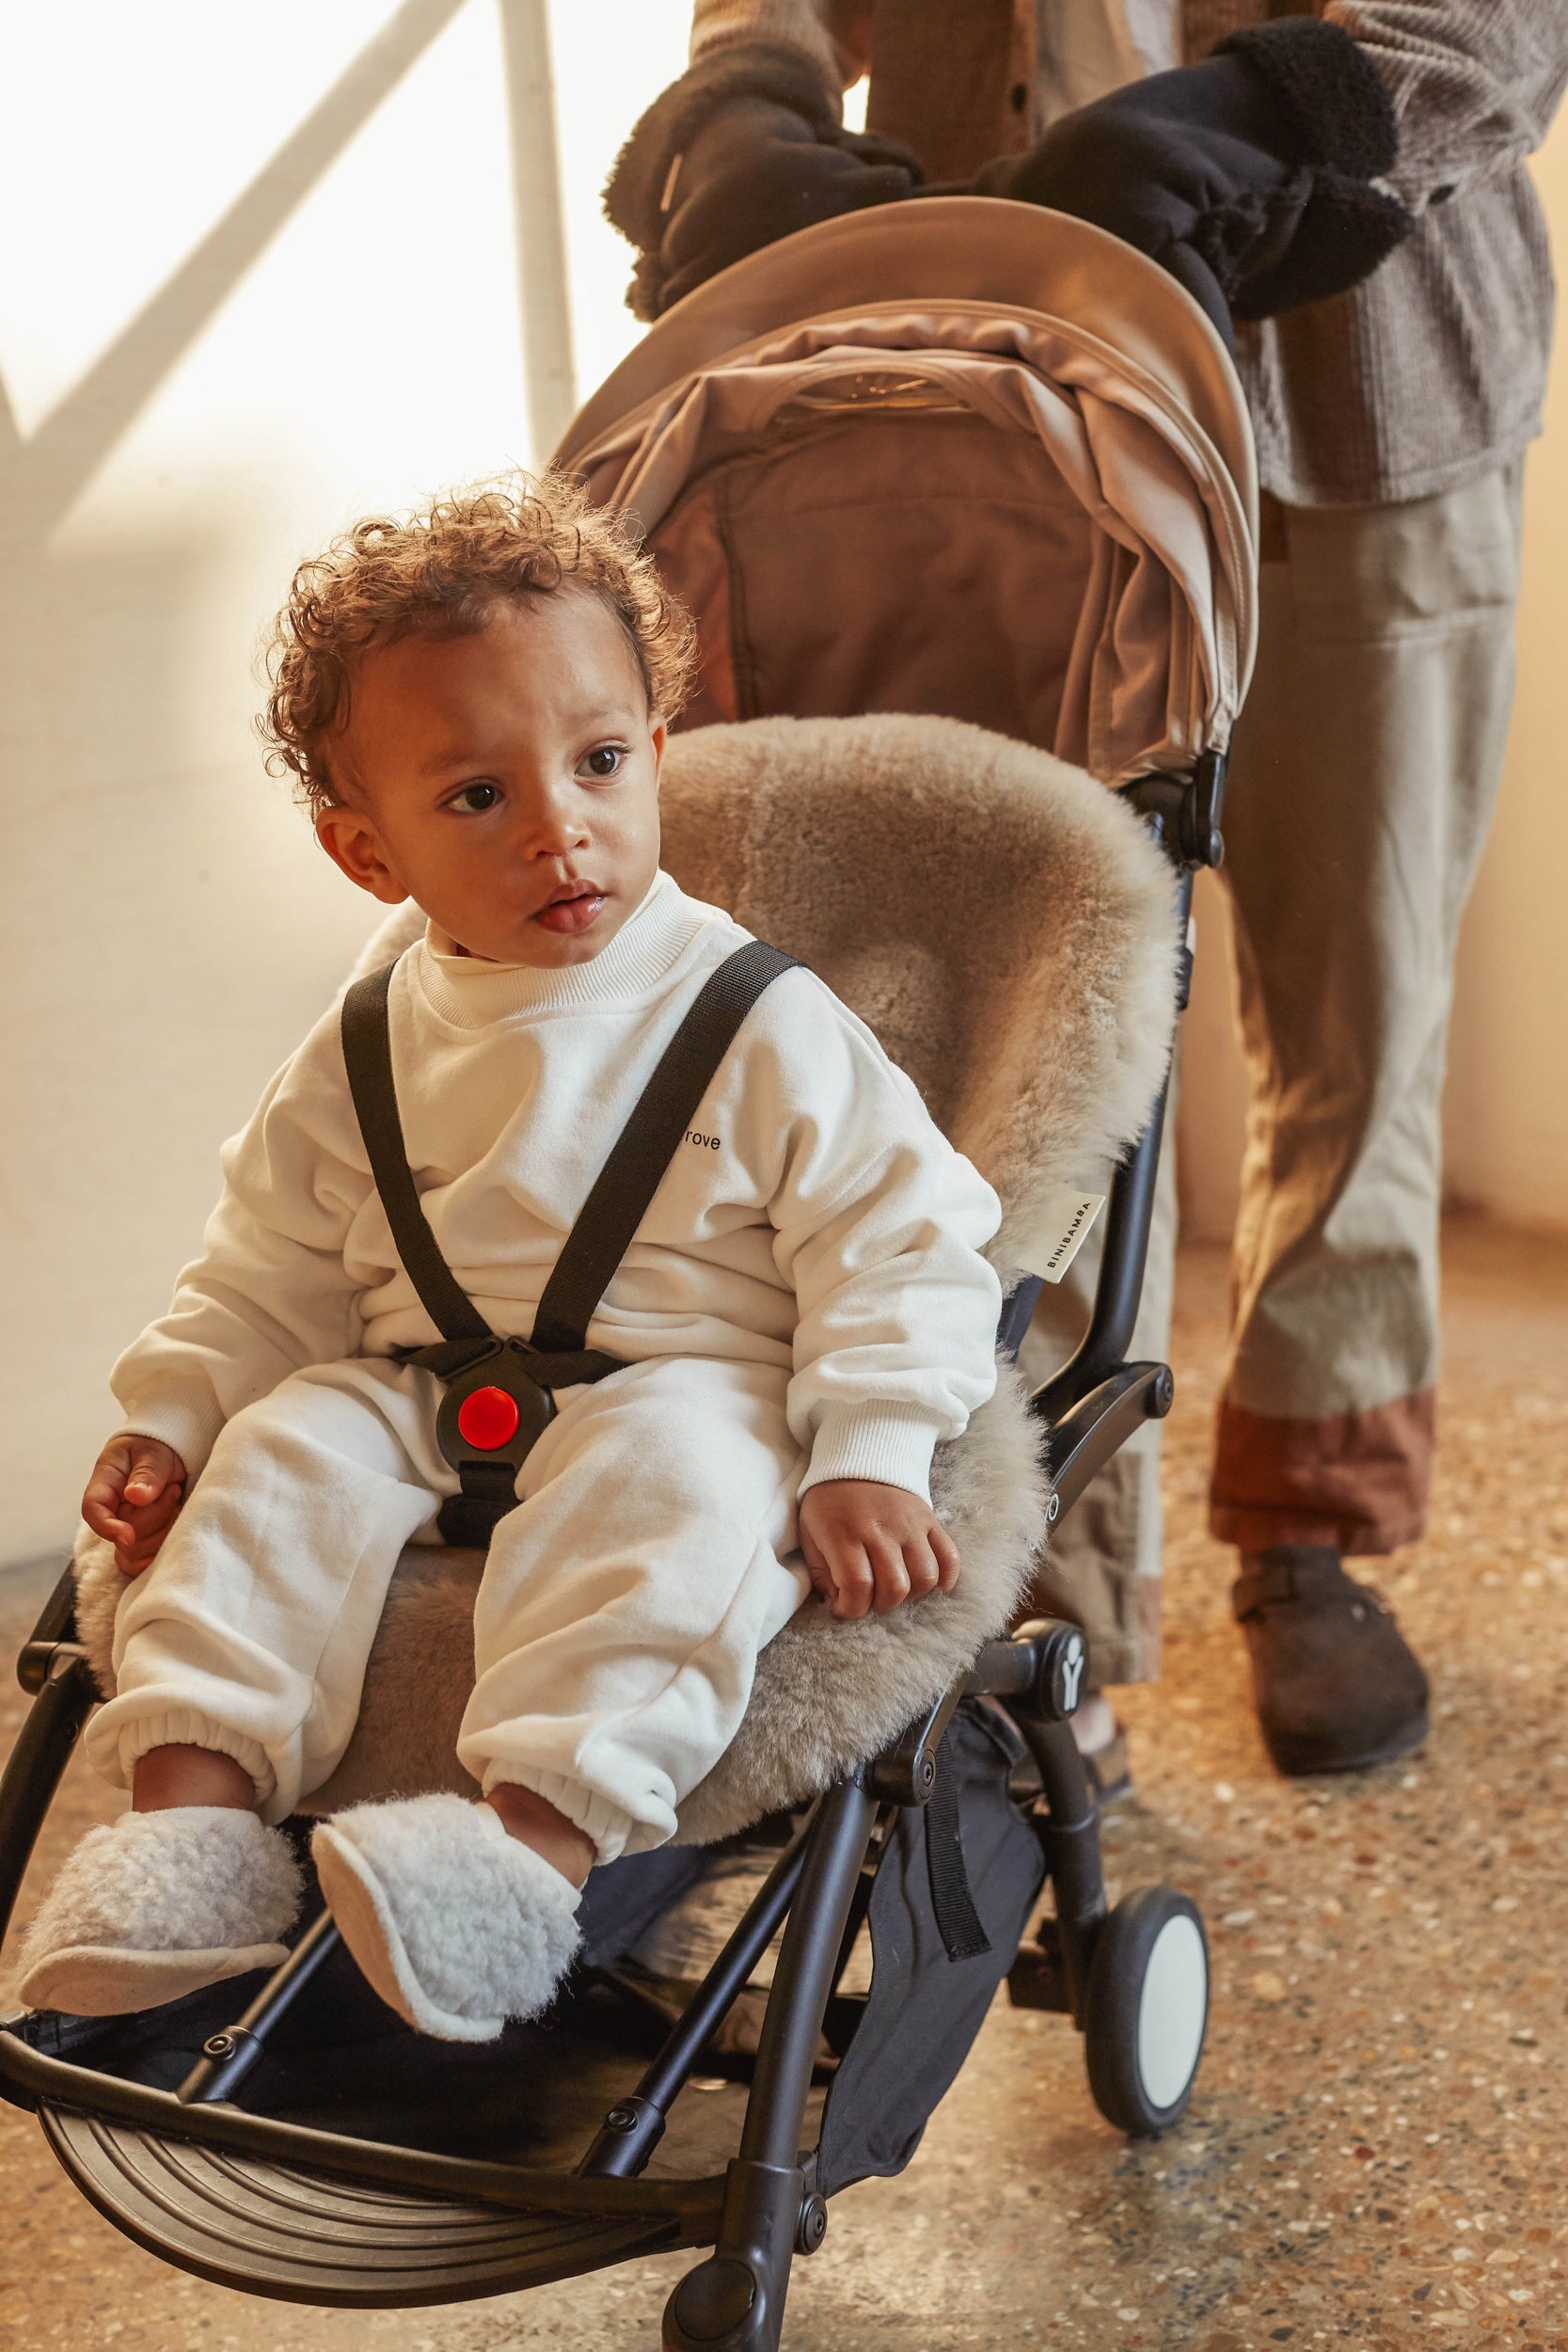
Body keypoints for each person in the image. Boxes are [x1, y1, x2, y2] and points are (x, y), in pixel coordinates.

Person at [604, 0, 1568, 1778]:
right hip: (1005, 392)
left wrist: (1257, 118)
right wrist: (749, 96)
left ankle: (1313, 1521)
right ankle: (1028, 1586)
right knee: (1001, 1003)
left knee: (1360, 992)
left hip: (1370, 377)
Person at [18, 476, 1003, 2040]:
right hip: (423, 1392)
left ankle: (519, 1858)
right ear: (368, 852)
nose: (563, 826)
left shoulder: (754, 1018)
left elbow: (904, 1242)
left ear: (654, 756)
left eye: (601, 762)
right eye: (478, 797)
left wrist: (871, 1445)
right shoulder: (362, 1040)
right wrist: (180, 1414)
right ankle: (190, 1824)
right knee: (280, 1452)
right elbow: (265, 1265)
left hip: (690, 1383)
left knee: (677, 1486)